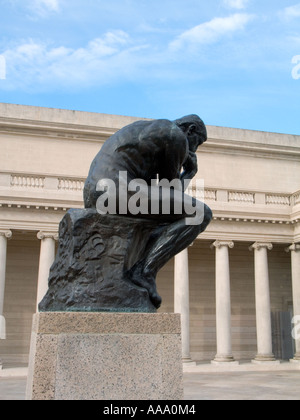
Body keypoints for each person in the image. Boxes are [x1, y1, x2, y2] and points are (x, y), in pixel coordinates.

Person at [83, 115, 212, 308]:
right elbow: (173, 193)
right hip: (116, 189)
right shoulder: (175, 135)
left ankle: (137, 266)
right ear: (190, 130)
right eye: (197, 142)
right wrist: (190, 173)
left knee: (168, 219)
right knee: (200, 214)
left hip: (96, 192)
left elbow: (162, 197)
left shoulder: (150, 132)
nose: (194, 149)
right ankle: (144, 272)